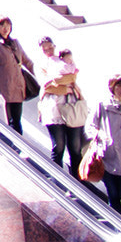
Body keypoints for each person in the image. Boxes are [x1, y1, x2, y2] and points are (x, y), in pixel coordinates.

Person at [38, 37, 89, 174]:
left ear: (54, 46)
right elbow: (46, 86)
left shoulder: (63, 59)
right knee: (58, 146)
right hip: (53, 109)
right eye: (45, 49)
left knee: (75, 147)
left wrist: (57, 81)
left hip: (71, 107)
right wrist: (64, 87)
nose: (48, 51)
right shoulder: (42, 65)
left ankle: (78, 182)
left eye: (50, 47)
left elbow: (72, 78)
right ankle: (58, 181)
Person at [91, 74, 121, 221]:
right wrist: (100, 136)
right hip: (108, 157)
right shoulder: (103, 106)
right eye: (118, 86)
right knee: (114, 195)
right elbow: (91, 126)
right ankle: (117, 228)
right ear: (112, 88)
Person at [0, 16, 35, 134]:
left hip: (18, 87)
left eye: (7, 25)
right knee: (10, 121)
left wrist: (41, 74)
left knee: (17, 119)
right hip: (5, 89)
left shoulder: (15, 43)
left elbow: (26, 61)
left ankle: (19, 147)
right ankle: (13, 148)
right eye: (2, 26)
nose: (5, 28)